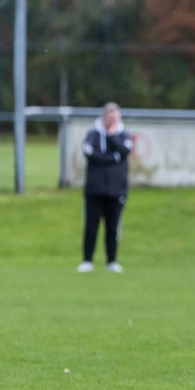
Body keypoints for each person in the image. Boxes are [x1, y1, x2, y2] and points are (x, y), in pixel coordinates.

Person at [79, 102, 133, 273]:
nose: (112, 120)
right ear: (104, 117)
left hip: (116, 191)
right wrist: (112, 158)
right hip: (94, 190)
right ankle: (87, 260)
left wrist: (111, 136)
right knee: (91, 227)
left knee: (113, 228)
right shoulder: (93, 135)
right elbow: (90, 154)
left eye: (115, 117)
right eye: (109, 117)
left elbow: (124, 152)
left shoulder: (123, 135)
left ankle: (112, 261)